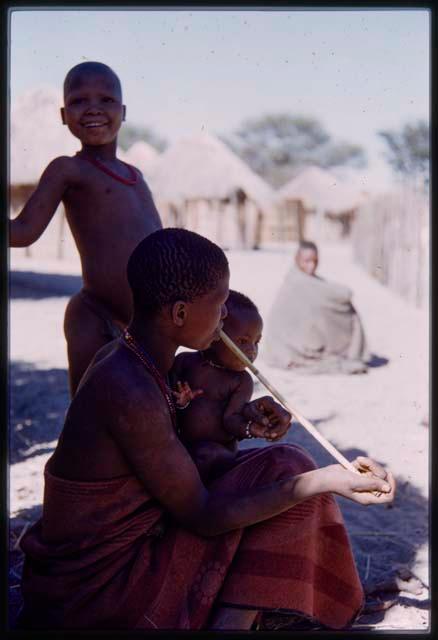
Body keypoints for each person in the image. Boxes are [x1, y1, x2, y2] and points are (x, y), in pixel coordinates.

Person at [18, 229, 395, 631]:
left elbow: (173, 455)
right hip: (100, 588)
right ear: (179, 314)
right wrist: (324, 480)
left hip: (119, 558)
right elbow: (203, 516)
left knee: (285, 462)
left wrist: (242, 420)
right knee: (293, 478)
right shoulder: (129, 387)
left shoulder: (136, 360)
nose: (225, 319)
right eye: (219, 306)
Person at [9, 61, 163, 395]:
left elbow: (160, 244)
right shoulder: (68, 169)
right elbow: (22, 232)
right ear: (64, 115)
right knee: (87, 409)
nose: (93, 108)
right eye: (79, 101)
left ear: (123, 111)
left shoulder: (136, 176)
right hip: (94, 313)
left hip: (146, 321)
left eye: (106, 100)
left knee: (151, 407)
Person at [171, 289, 275, 482]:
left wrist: (251, 429)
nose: (251, 350)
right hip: (183, 449)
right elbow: (166, 403)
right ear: (215, 331)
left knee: (205, 453)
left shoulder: (241, 381)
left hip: (218, 456)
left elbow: (230, 420)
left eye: (256, 342)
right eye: (243, 341)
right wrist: (180, 401)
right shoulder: (185, 362)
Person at [263, 240, 371, 374]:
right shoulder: (296, 281)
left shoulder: (307, 279)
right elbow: (343, 294)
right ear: (297, 260)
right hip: (292, 346)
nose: (312, 265)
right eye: (307, 261)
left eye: (315, 261)